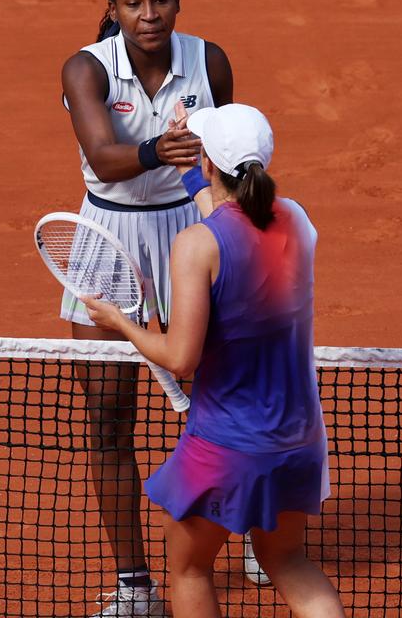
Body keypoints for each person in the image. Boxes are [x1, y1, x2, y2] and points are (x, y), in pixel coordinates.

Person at [83, 104, 346, 618]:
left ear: (209, 161)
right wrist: (190, 173)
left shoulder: (195, 245)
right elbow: (228, 216)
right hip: (299, 440)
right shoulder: (297, 221)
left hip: (227, 444)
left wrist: (121, 323)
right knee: (288, 560)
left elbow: (180, 359)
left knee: (189, 569)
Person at [60, 0, 234, 617]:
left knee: (230, 401)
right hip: (107, 241)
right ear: (114, 8)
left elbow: (228, 153)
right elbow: (103, 157)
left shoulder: (208, 60)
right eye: (133, 2)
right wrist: (161, 148)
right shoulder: (86, 67)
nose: (148, 13)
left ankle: (249, 529)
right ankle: (135, 587)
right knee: (108, 419)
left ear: (176, 1)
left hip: (193, 234)